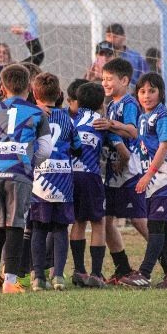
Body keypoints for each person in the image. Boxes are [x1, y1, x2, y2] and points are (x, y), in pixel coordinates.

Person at [0, 64, 52, 294]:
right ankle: (10, 282)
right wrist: (28, 163)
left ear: (3, 87)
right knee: (16, 223)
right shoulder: (37, 112)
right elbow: (45, 149)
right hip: (19, 173)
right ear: (29, 87)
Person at [127, 73, 167, 289]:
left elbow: (164, 146)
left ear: (161, 93)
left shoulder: (163, 117)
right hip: (157, 180)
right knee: (162, 228)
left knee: (155, 225)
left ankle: (144, 273)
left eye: (152, 91)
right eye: (142, 91)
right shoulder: (143, 118)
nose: (146, 95)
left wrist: (148, 174)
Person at [92, 57, 148, 287]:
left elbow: (134, 132)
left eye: (109, 79)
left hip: (130, 172)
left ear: (124, 80)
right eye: (103, 79)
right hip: (113, 173)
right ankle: (123, 268)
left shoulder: (129, 103)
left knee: (138, 220)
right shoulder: (111, 104)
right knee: (106, 221)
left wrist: (111, 125)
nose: (105, 83)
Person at [29, 72, 81, 291]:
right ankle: (58, 276)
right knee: (60, 229)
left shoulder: (31, 116)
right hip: (62, 182)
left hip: (39, 181)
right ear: (59, 94)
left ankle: (38, 277)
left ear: (34, 94)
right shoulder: (67, 119)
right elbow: (77, 147)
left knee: (38, 229)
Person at [69, 82, 109, 288]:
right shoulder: (102, 123)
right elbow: (121, 146)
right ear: (101, 102)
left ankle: (78, 271)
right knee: (98, 223)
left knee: (78, 221)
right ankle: (96, 273)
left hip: (70, 175)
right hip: (90, 175)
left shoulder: (72, 120)